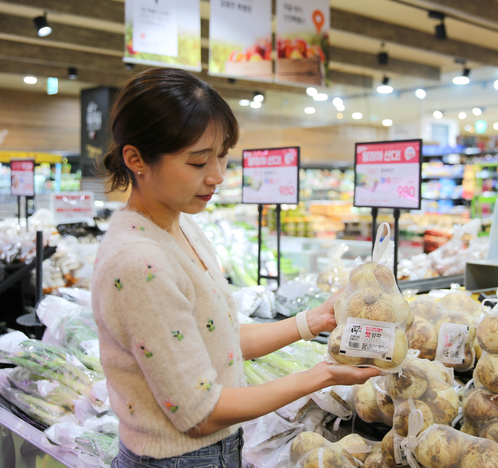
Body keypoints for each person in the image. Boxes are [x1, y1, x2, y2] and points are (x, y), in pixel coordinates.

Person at [94, 68, 381, 468]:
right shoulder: (140, 261)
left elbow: (218, 338)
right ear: (136, 158)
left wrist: (313, 320)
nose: (217, 176)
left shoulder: (181, 225)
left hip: (215, 451)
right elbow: (200, 413)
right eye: (197, 162)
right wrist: (323, 377)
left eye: (222, 156)